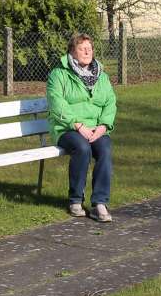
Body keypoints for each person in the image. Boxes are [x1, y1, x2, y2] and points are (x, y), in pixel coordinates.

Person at [46, 32, 117, 221]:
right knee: (82, 147)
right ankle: (75, 200)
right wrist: (78, 126)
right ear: (72, 51)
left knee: (105, 148)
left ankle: (99, 203)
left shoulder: (102, 76)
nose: (87, 51)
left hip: (96, 128)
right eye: (81, 48)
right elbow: (56, 103)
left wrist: (103, 126)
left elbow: (110, 103)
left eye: (90, 48)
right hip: (66, 128)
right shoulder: (58, 74)